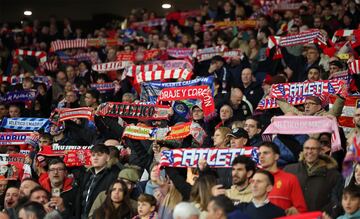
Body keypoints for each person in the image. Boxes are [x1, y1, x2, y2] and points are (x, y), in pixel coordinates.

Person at [284, 138, 344, 214]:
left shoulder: (333, 175)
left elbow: (336, 201)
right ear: (302, 150)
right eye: (307, 148)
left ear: (320, 151)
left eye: (313, 149)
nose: (309, 151)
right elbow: (282, 195)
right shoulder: (289, 170)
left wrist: (322, 214)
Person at [258, 142, 308, 214]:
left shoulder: (290, 179)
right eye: (259, 154)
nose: (261, 156)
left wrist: (293, 211)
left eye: (265, 153)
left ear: (276, 156)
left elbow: (301, 209)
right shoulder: (254, 179)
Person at [77, 144, 118, 219]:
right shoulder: (87, 175)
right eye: (93, 155)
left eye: (99, 155)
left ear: (108, 158)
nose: (95, 158)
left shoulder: (113, 176)